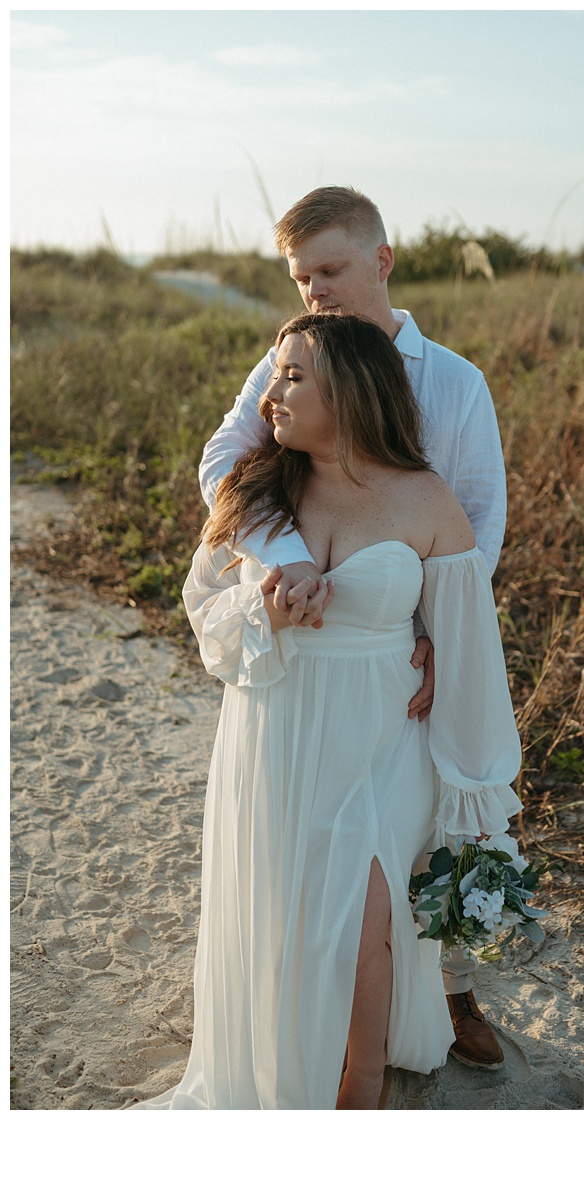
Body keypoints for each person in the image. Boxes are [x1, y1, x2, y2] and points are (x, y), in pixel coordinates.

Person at [133, 312, 522, 1110]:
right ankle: (293, 1049)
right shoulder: (257, 492)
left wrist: (475, 792)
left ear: (349, 389)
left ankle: (361, 1082)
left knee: (363, 909)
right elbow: (205, 613)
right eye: (277, 375)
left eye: (293, 376)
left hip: (385, 735)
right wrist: (266, 615)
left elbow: (470, 655)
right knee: (291, 908)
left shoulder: (427, 500)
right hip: (277, 726)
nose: (270, 394)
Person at [199, 186, 508, 1068]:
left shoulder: (453, 380)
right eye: (301, 277)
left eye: (330, 269)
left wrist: (438, 632)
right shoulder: (287, 363)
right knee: (318, 851)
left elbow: (478, 520)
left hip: (405, 630)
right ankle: (292, 1012)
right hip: (307, 637)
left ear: (382, 260)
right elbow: (224, 465)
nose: (316, 291)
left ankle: (448, 994)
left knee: (419, 828)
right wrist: (290, 556)